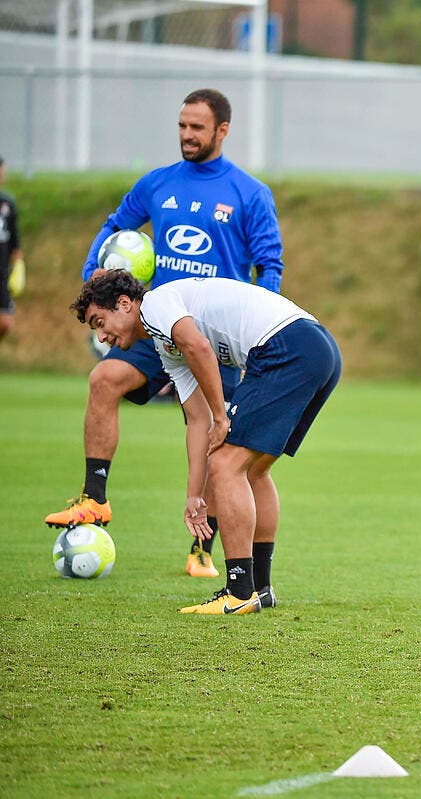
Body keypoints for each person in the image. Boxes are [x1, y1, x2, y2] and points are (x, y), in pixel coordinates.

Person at [44, 88, 285, 581]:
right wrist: (94, 271)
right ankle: (95, 497)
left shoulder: (250, 193)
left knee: (218, 439)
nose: (187, 135)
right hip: (156, 329)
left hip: (215, 340)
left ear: (222, 131)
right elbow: (117, 225)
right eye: (181, 126)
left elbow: (270, 266)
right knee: (103, 379)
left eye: (197, 127)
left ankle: (202, 549)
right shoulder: (157, 184)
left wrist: (256, 340)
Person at [70, 271, 340, 614]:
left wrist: (222, 416)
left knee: (228, 464)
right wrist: (195, 495)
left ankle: (239, 591)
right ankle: (261, 588)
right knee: (252, 471)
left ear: (124, 304)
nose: (101, 335)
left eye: (99, 321)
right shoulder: (163, 344)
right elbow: (198, 421)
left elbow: (199, 348)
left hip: (287, 347)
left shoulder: (156, 306)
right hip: (316, 347)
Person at [0, 155, 24, 343]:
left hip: (2, 273)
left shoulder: (7, 203)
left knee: (5, 322)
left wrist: (19, 269)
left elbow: (15, 243)